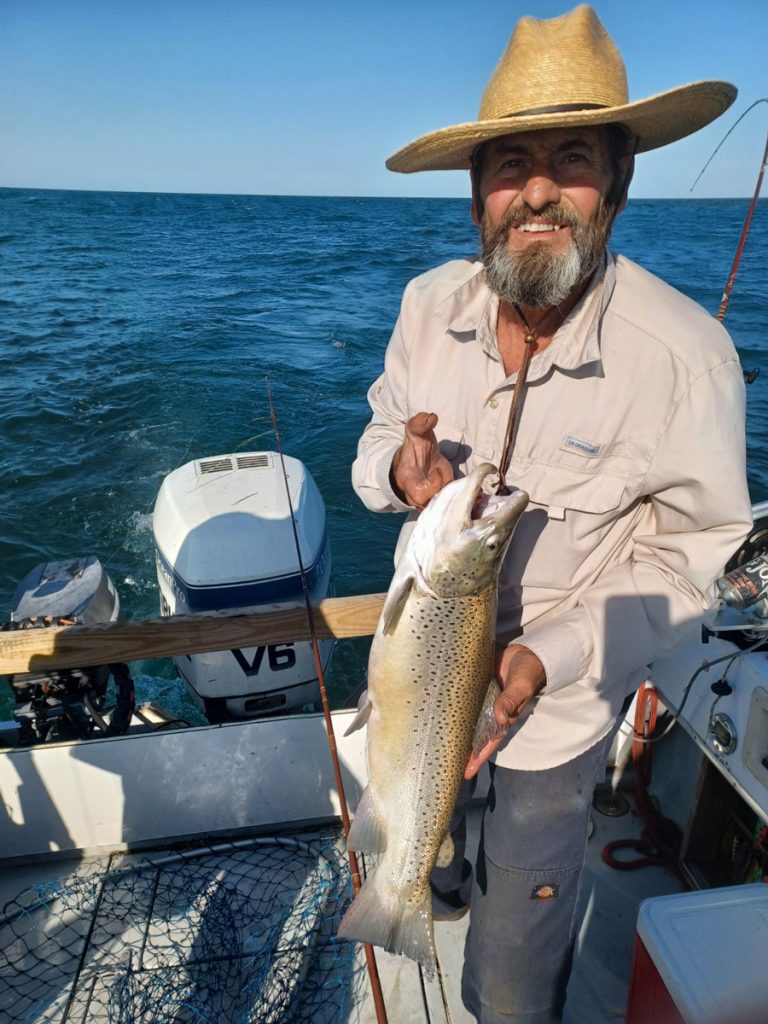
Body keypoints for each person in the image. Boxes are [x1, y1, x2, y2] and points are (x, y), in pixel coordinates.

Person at [351, 6, 753, 1024]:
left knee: (513, 972)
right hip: (424, 686)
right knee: (426, 840)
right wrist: (394, 468)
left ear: (618, 180)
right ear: (474, 192)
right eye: (510, 163)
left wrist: (551, 654)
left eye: (571, 159)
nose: (537, 190)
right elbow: (380, 431)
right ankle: (433, 875)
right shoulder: (424, 305)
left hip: (557, 717)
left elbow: (693, 561)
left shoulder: (689, 360)